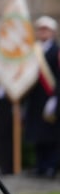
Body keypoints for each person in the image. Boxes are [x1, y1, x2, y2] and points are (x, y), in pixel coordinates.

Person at [24, 15, 60, 178]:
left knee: (51, 135)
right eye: (40, 30)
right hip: (36, 99)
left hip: (52, 98)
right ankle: (40, 165)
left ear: (52, 32)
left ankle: (51, 166)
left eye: (45, 30)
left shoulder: (56, 51)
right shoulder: (34, 50)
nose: (42, 33)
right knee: (37, 134)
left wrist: (55, 98)